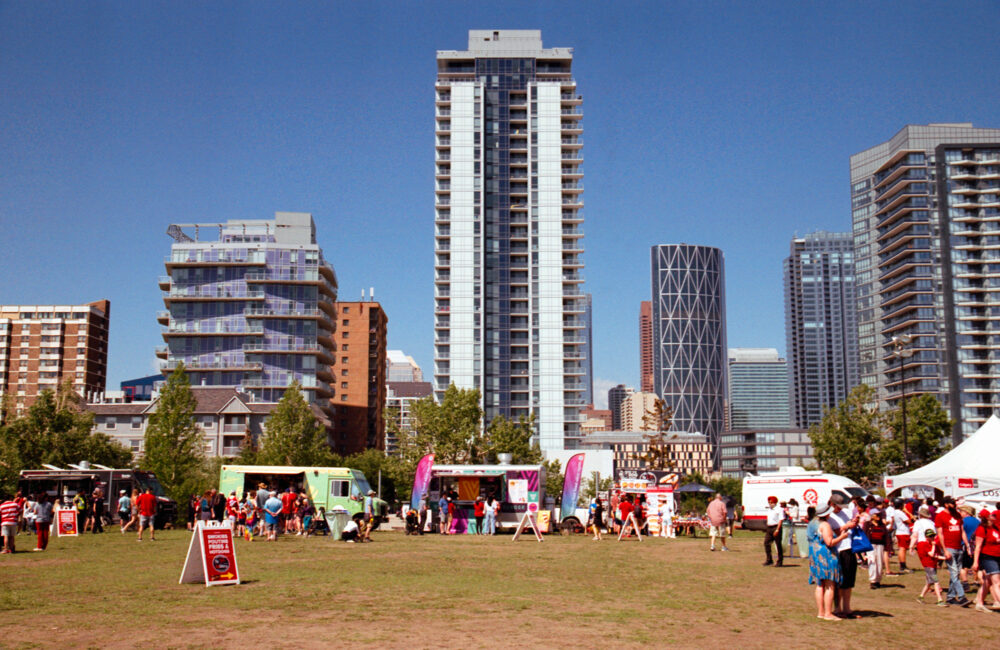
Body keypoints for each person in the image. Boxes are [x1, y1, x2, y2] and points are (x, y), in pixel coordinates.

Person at [808, 504, 847, 621]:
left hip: (815, 555)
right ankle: (828, 613)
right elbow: (829, 542)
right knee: (830, 584)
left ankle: (821, 612)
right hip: (826, 555)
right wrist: (842, 536)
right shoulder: (825, 525)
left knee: (820, 584)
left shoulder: (812, 523)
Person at [826, 494, 859, 617]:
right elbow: (830, 532)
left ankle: (847, 608)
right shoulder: (829, 516)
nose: (839, 509)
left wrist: (854, 522)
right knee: (839, 581)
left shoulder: (846, 512)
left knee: (849, 581)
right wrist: (846, 526)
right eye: (837, 507)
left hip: (849, 547)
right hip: (838, 550)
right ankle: (837, 608)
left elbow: (851, 525)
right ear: (832, 504)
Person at [935, 497, 971, 606]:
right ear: (946, 504)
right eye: (951, 503)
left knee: (955, 574)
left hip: (959, 547)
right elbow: (940, 534)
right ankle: (962, 596)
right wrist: (944, 549)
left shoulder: (958, 515)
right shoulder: (940, 516)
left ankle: (950, 597)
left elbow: (962, 531)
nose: (954, 505)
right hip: (948, 547)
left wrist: (967, 545)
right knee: (954, 572)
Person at [971, 509, 1000, 612]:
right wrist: (975, 562)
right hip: (987, 557)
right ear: (987, 517)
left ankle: (979, 603)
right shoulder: (982, 529)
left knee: (987, 582)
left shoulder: (996, 528)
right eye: (993, 516)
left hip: (997, 557)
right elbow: (978, 547)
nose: (995, 517)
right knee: (997, 582)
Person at [916, 528, 948, 606]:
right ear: (926, 537)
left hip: (932, 566)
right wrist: (933, 546)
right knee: (936, 582)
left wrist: (945, 558)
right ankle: (939, 600)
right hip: (928, 567)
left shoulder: (933, 545)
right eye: (930, 536)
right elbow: (931, 554)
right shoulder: (923, 544)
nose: (932, 538)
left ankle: (921, 597)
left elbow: (936, 556)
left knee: (929, 583)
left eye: (933, 536)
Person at [864, 508, 888, 589]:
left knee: (880, 562)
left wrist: (888, 548)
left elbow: (886, 537)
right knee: (872, 561)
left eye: (879, 515)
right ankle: (873, 580)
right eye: (876, 515)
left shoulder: (882, 525)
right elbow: (864, 535)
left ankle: (878, 580)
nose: (878, 516)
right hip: (871, 545)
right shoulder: (867, 524)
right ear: (872, 516)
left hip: (880, 545)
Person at [763, 495, 784, 566]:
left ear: (775, 502)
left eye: (771, 502)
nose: (770, 504)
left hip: (776, 527)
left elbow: (781, 520)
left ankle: (780, 561)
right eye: (769, 502)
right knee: (766, 543)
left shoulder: (779, 509)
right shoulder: (769, 509)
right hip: (769, 527)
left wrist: (777, 529)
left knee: (778, 544)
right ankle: (769, 559)